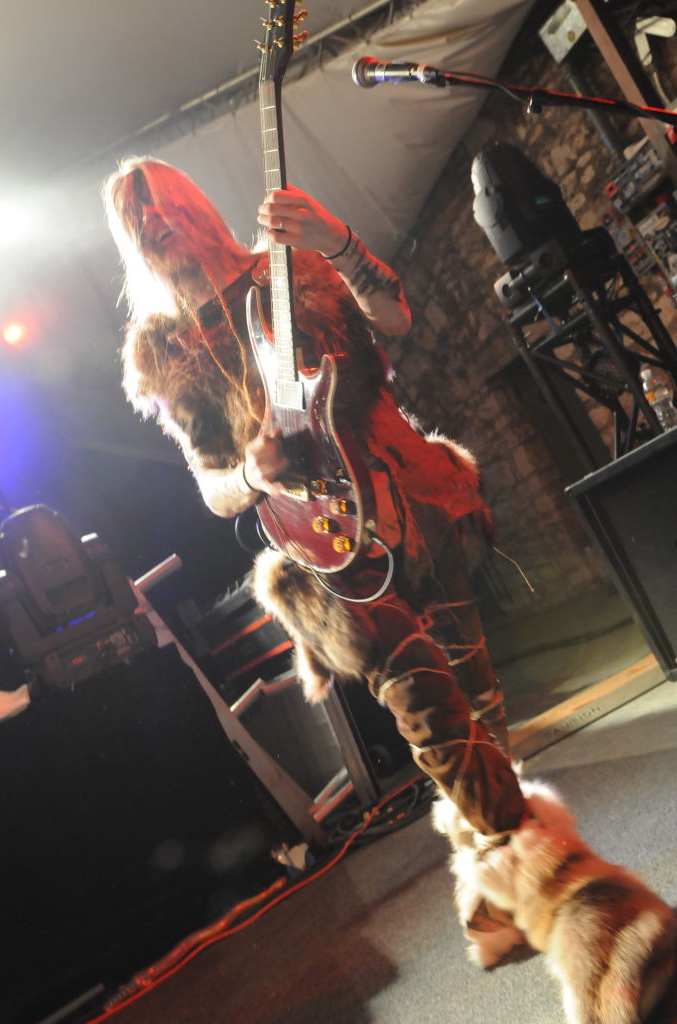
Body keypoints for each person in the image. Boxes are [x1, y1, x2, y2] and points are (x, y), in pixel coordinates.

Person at [103, 156, 526, 840]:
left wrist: (338, 241)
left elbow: (395, 317)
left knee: (476, 688)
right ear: (131, 240)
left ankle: (500, 841)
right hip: (323, 542)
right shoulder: (163, 349)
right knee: (424, 703)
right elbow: (211, 486)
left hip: (408, 495)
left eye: (164, 201)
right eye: (136, 215)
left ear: (197, 203)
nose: (155, 218)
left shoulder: (292, 266)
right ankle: (516, 843)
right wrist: (250, 476)